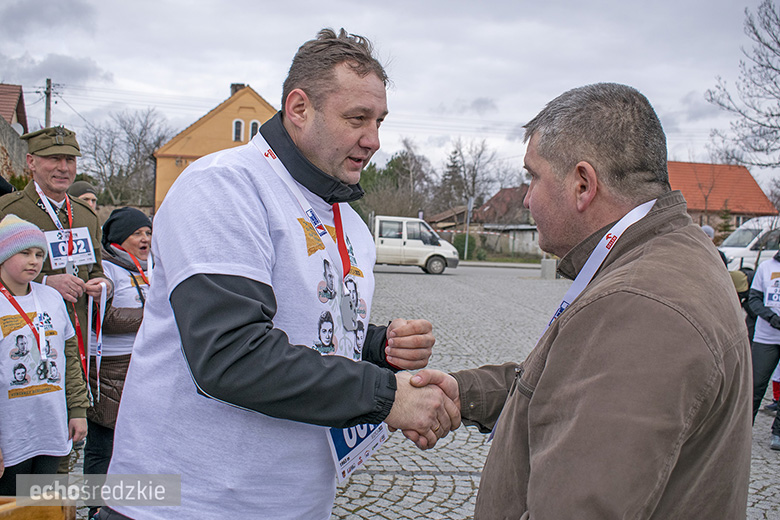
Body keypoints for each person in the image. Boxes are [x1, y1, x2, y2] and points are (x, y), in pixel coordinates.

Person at [102, 28, 457, 520]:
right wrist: (383, 395)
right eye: (357, 119)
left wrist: (377, 346)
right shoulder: (224, 185)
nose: (373, 140)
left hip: (293, 502)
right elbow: (231, 354)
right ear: (298, 108)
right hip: (185, 503)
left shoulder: (349, 220)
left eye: (379, 121)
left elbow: (302, 323)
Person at [413, 83, 752, 518]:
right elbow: (576, 390)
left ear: (582, 184)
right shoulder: (671, 254)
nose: (526, 197)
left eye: (533, 176)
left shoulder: (640, 307)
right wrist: (469, 393)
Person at [0, 127, 112, 397]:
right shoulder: (9, 210)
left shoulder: (86, 214)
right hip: (23, 341)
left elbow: (95, 268)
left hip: (78, 337)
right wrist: (47, 282)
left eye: (70, 160)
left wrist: (102, 284)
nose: (64, 168)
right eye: (54, 159)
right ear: (31, 162)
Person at [0, 214, 89, 495]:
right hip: (11, 436)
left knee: (42, 508)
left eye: (39, 254)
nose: (34, 260)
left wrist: (77, 410)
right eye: (24, 252)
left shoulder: (51, 298)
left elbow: (70, 358)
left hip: (50, 428)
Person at [83, 207, 151, 519]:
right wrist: (150, 317)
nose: (145, 238)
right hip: (109, 365)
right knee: (104, 441)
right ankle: (96, 506)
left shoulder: (148, 268)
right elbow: (103, 320)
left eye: (148, 232)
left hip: (141, 362)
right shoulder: (107, 270)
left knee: (134, 439)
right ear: (121, 238)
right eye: (138, 233)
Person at [747, 250, 780, 450]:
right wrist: (770, 317)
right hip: (766, 337)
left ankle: (778, 433)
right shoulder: (766, 267)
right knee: (756, 385)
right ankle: (741, 429)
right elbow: (754, 299)